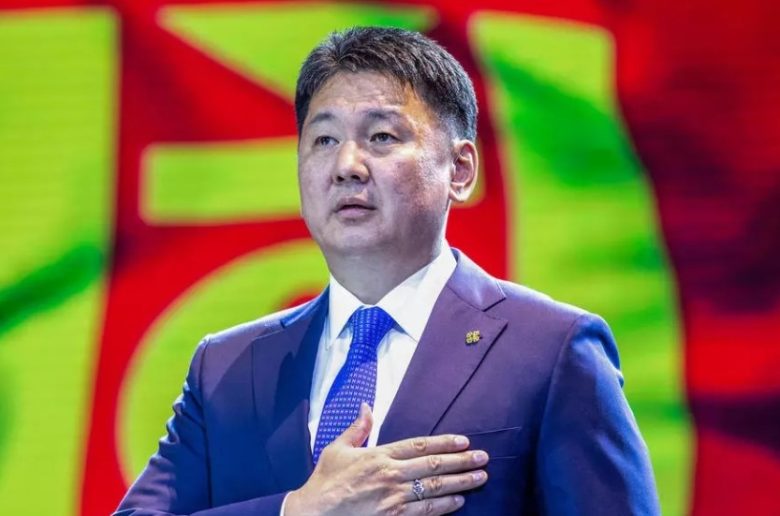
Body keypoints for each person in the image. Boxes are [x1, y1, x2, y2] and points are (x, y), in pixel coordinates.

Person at [115, 27, 660, 515]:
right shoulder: (226, 368)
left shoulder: (550, 349)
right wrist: (297, 511)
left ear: (460, 170)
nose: (346, 166)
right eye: (324, 139)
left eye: (381, 137)